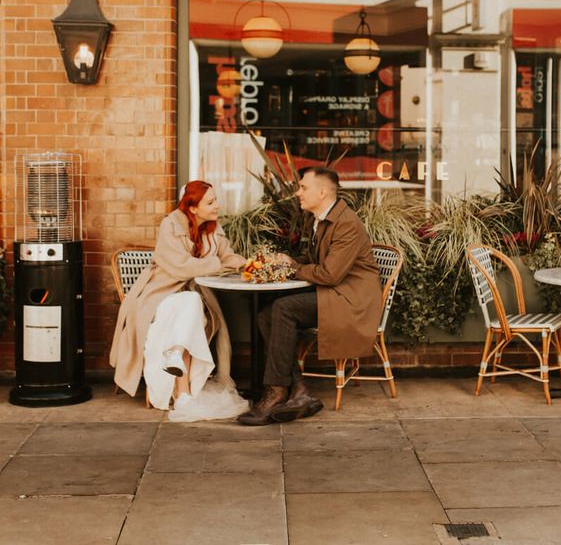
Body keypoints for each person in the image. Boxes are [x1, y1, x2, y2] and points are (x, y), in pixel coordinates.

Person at [238, 166, 382, 426]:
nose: (298, 193)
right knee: (267, 312)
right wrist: (289, 262)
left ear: (323, 191)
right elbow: (319, 262)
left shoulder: (346, 223)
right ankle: (298, 388)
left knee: (283, 308)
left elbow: (330, 274)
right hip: (335, 294)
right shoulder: (321, 219)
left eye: (304, 188)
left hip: (351, 301)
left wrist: (293, 268)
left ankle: (277, 390)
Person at [109, 181, 249, 421]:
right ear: (193, 208)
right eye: (211, 202)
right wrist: (219, 264)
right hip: (159, 296)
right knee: (191, 302)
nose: (217, 205)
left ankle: (178, 361)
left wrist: (247, 263)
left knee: (192, 302)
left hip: (191, 298)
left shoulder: (214, 229)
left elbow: (227, 256)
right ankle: (180, 385)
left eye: (216, 200)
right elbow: (181, 267)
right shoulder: (170, 224)